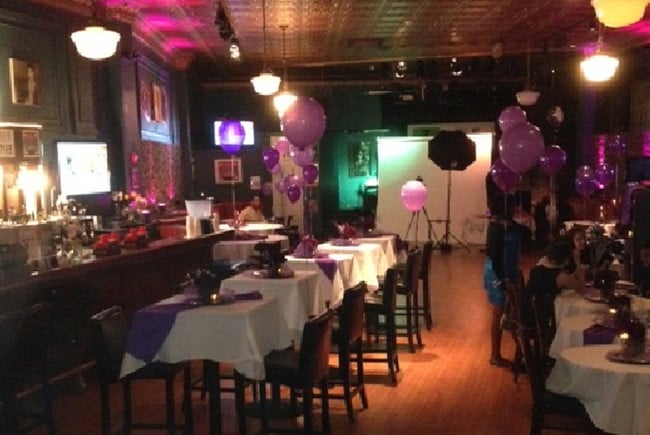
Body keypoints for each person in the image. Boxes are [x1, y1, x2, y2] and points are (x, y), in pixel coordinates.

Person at [524, 239, 586, 352]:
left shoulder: (537, 269)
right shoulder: (560, 277)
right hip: (546, 320)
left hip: (529, 315)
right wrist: (578, 261)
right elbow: (581, 287)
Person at [483, 202, 520, 368]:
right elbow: (495, 256)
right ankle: (495, 355)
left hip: (509, 271)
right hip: (496, 273)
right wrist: (503, 280)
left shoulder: (511, 227)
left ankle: (522, 350)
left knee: (512, 310)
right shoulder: (495, 229)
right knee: (499, 312)